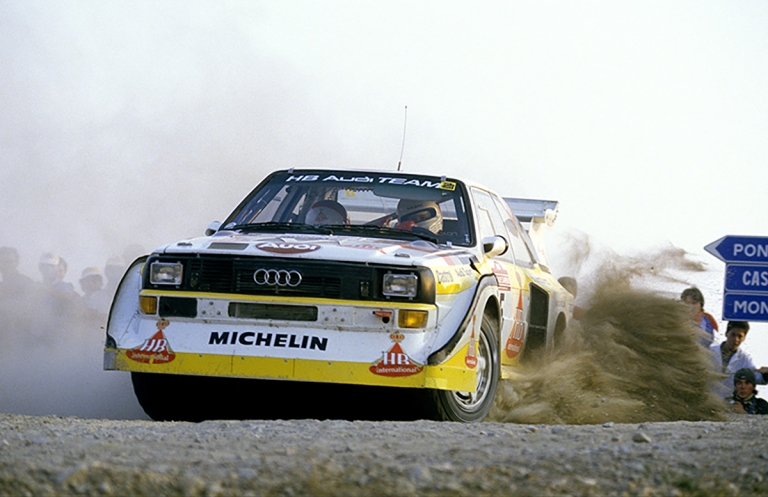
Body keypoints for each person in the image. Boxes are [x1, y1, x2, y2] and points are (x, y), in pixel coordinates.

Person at [710, 321, 768, 393]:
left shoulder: (744, 359)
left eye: (740, 336)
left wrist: (766, 374)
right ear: (726, 333)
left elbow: (754, 377)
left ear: (744, 338)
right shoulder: (710, 351)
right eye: (733, 335)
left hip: (729, 398)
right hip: (707, 396)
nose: (736, 339)